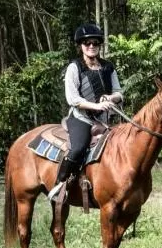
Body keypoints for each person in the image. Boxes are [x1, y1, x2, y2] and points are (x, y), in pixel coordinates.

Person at [47, 23, 123, 202]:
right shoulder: (75, 67)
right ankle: (60, 185)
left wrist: (110, 98)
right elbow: (72, 98)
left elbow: (119, 92)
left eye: (95, 43)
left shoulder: (108, 67)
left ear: (99, 46)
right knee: (79, 148)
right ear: (81, 45)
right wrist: (96, 106)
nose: (91, 46)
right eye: (87, 43)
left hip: (104, 121)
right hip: (81, 119)